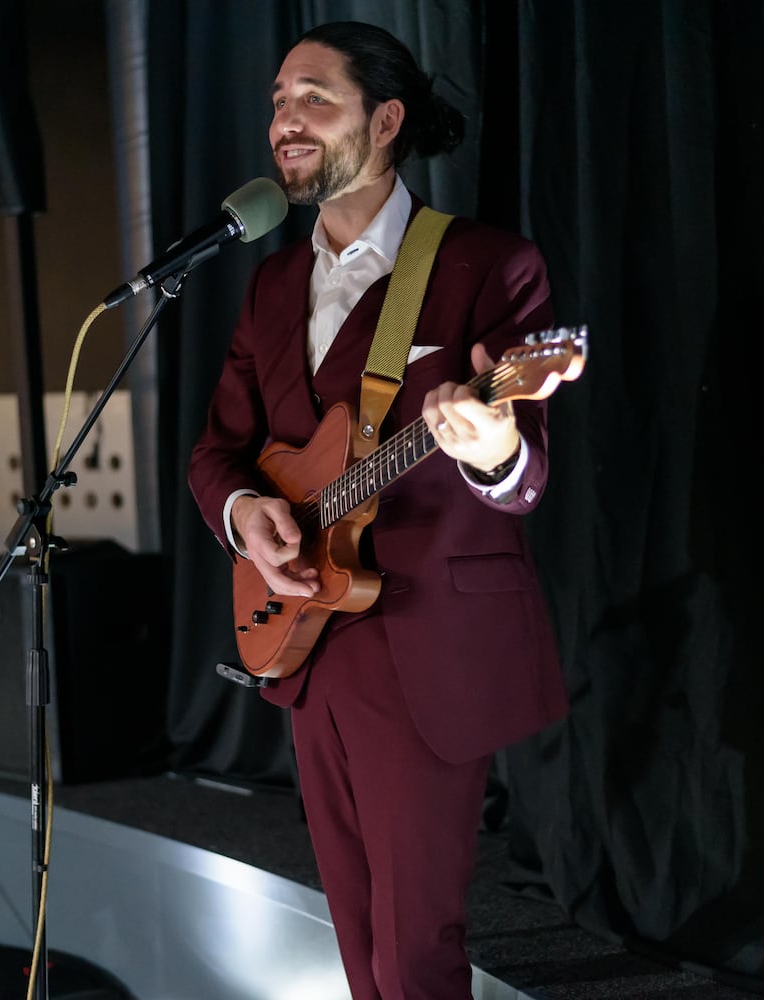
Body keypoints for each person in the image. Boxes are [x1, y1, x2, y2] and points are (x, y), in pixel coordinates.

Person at [188, 21, 566, 1000]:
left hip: (424, 638)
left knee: (413, 946)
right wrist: (245, 516)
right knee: (357, 938)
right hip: (307, 630)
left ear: (385, 119)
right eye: (276, 100)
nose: (284, 120)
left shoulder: (486, 265)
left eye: (313, 96)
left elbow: (522, 477)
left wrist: (492, 446)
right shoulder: (272, 283)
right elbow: (216, 452)